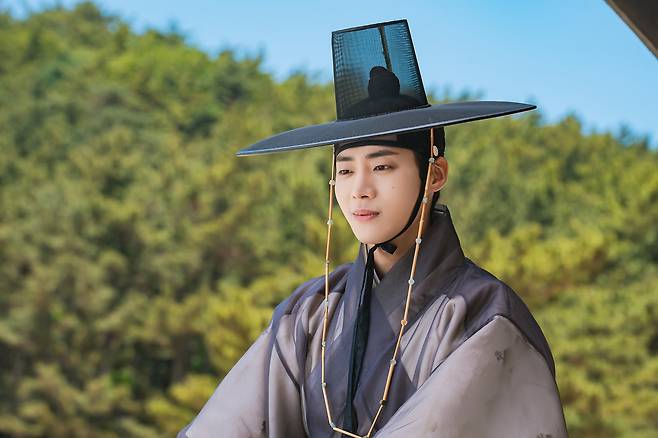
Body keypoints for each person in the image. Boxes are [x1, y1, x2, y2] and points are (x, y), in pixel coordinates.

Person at [179, 19, 567, 438]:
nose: (359, 190)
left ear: (435, 174)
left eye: (382, 167)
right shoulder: (310, 312)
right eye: (346, 171)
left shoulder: (482, 314)